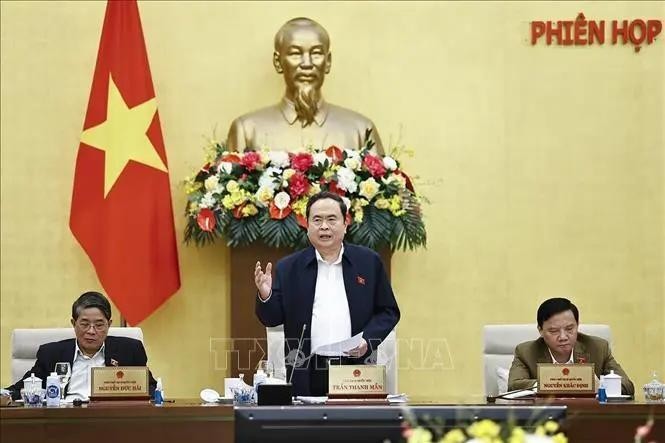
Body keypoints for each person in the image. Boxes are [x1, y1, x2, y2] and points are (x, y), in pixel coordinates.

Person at [254, 191, 399, 396]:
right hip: (307, 371)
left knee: (355, 424)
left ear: (345, 225)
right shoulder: (289, 268)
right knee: (309, 427)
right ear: (307, 226)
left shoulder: (368, 262)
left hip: (355, 370)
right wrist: (266, 295)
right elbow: (271, 318)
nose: (324, 226)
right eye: (317, 220)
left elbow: (388, 311)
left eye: (332, 219)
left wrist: (368, 340)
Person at [227, 17, 384, 154]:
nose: (307, 64)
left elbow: (388, 186)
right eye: (295, 53)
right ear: (278, 62)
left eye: (316, 53)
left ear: (328, 61)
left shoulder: (360, 130)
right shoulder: (247, 130)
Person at [6, 291, 157, 400]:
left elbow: (150, 389)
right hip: (64, 422)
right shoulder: (51, 353)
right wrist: (5, 394)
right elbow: (25, 387)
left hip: (112, 422)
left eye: (99, 325)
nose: (91, 331)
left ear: (109, 325)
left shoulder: (129, 350)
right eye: (84, 324)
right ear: (74, 324)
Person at [508, 297, 634, 395]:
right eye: (554, 331)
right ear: (540, 330)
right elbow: (513, 386)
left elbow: (627, 386)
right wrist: (563, 383)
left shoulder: (598, 348)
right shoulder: (526, 352)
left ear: (577, 325)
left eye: (569, 329)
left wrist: (600, 385)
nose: (563, 337)